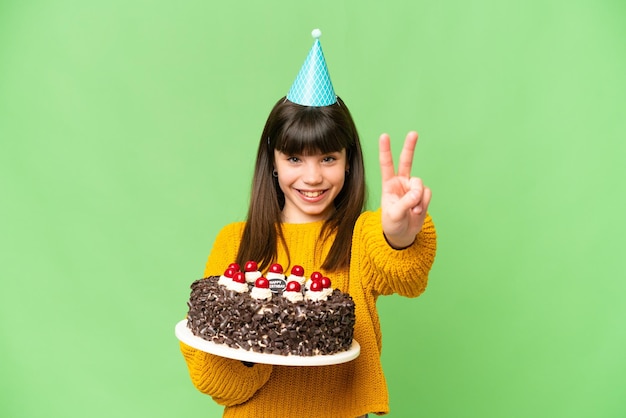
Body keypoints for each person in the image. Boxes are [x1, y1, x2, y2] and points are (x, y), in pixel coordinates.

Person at [179, 30, 437, 418]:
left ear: (350, 161)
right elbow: (211, 376)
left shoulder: (362, 237)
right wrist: (264, 337)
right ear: (273, 160)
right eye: (295, 159)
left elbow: (404, 276)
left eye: (328, 158)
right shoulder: (236, 242)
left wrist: (399, 236)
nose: (313, 177)